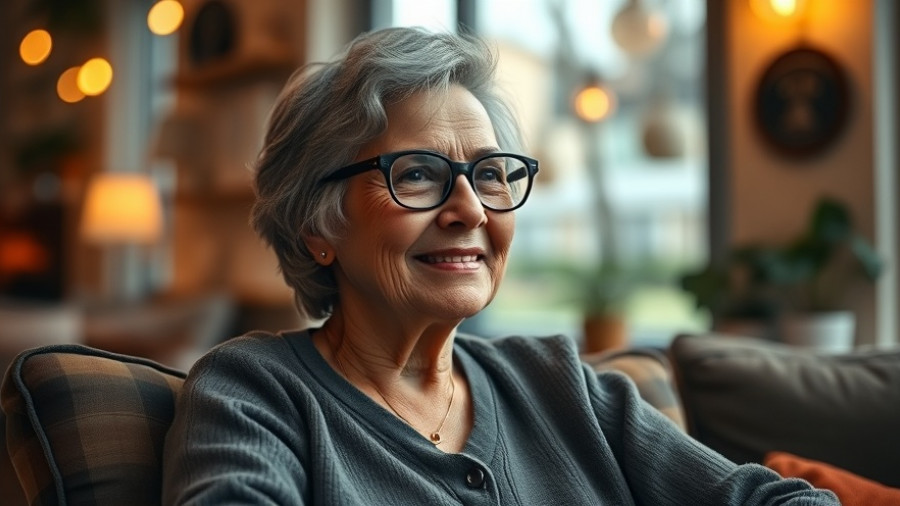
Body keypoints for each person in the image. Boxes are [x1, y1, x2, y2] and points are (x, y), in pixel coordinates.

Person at [162, 27, 838, 505]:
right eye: (419, 174)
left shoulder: (557, 383)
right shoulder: (254, 393)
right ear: (318, 225)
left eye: (489, 174)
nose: (471, 210)